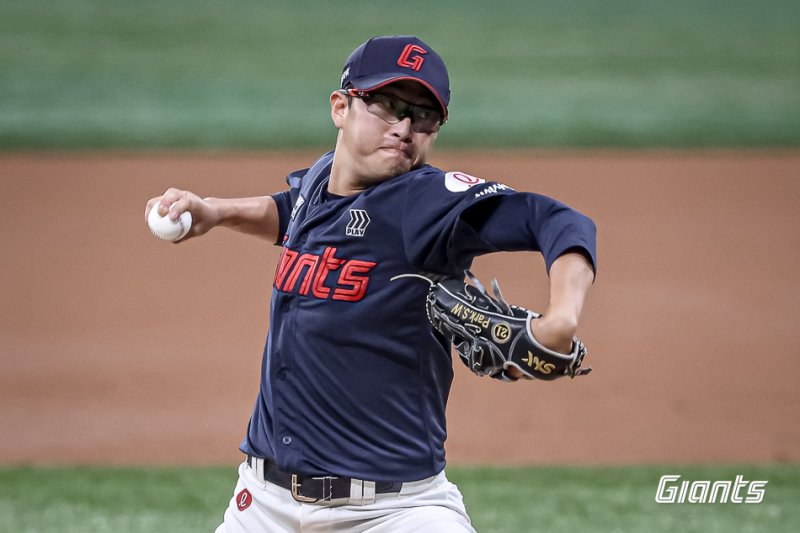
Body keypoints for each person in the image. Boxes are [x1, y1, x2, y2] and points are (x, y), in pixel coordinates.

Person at [145, 35, 596, 533]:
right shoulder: (322, 180)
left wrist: (561, 316)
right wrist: (215, 210)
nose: (404, 127)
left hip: (395, 513)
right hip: (263, 504)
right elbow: (291, 211)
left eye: (423, 116)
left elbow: (556, 220)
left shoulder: (424, 202)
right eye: (387, 105)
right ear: (341, 107)